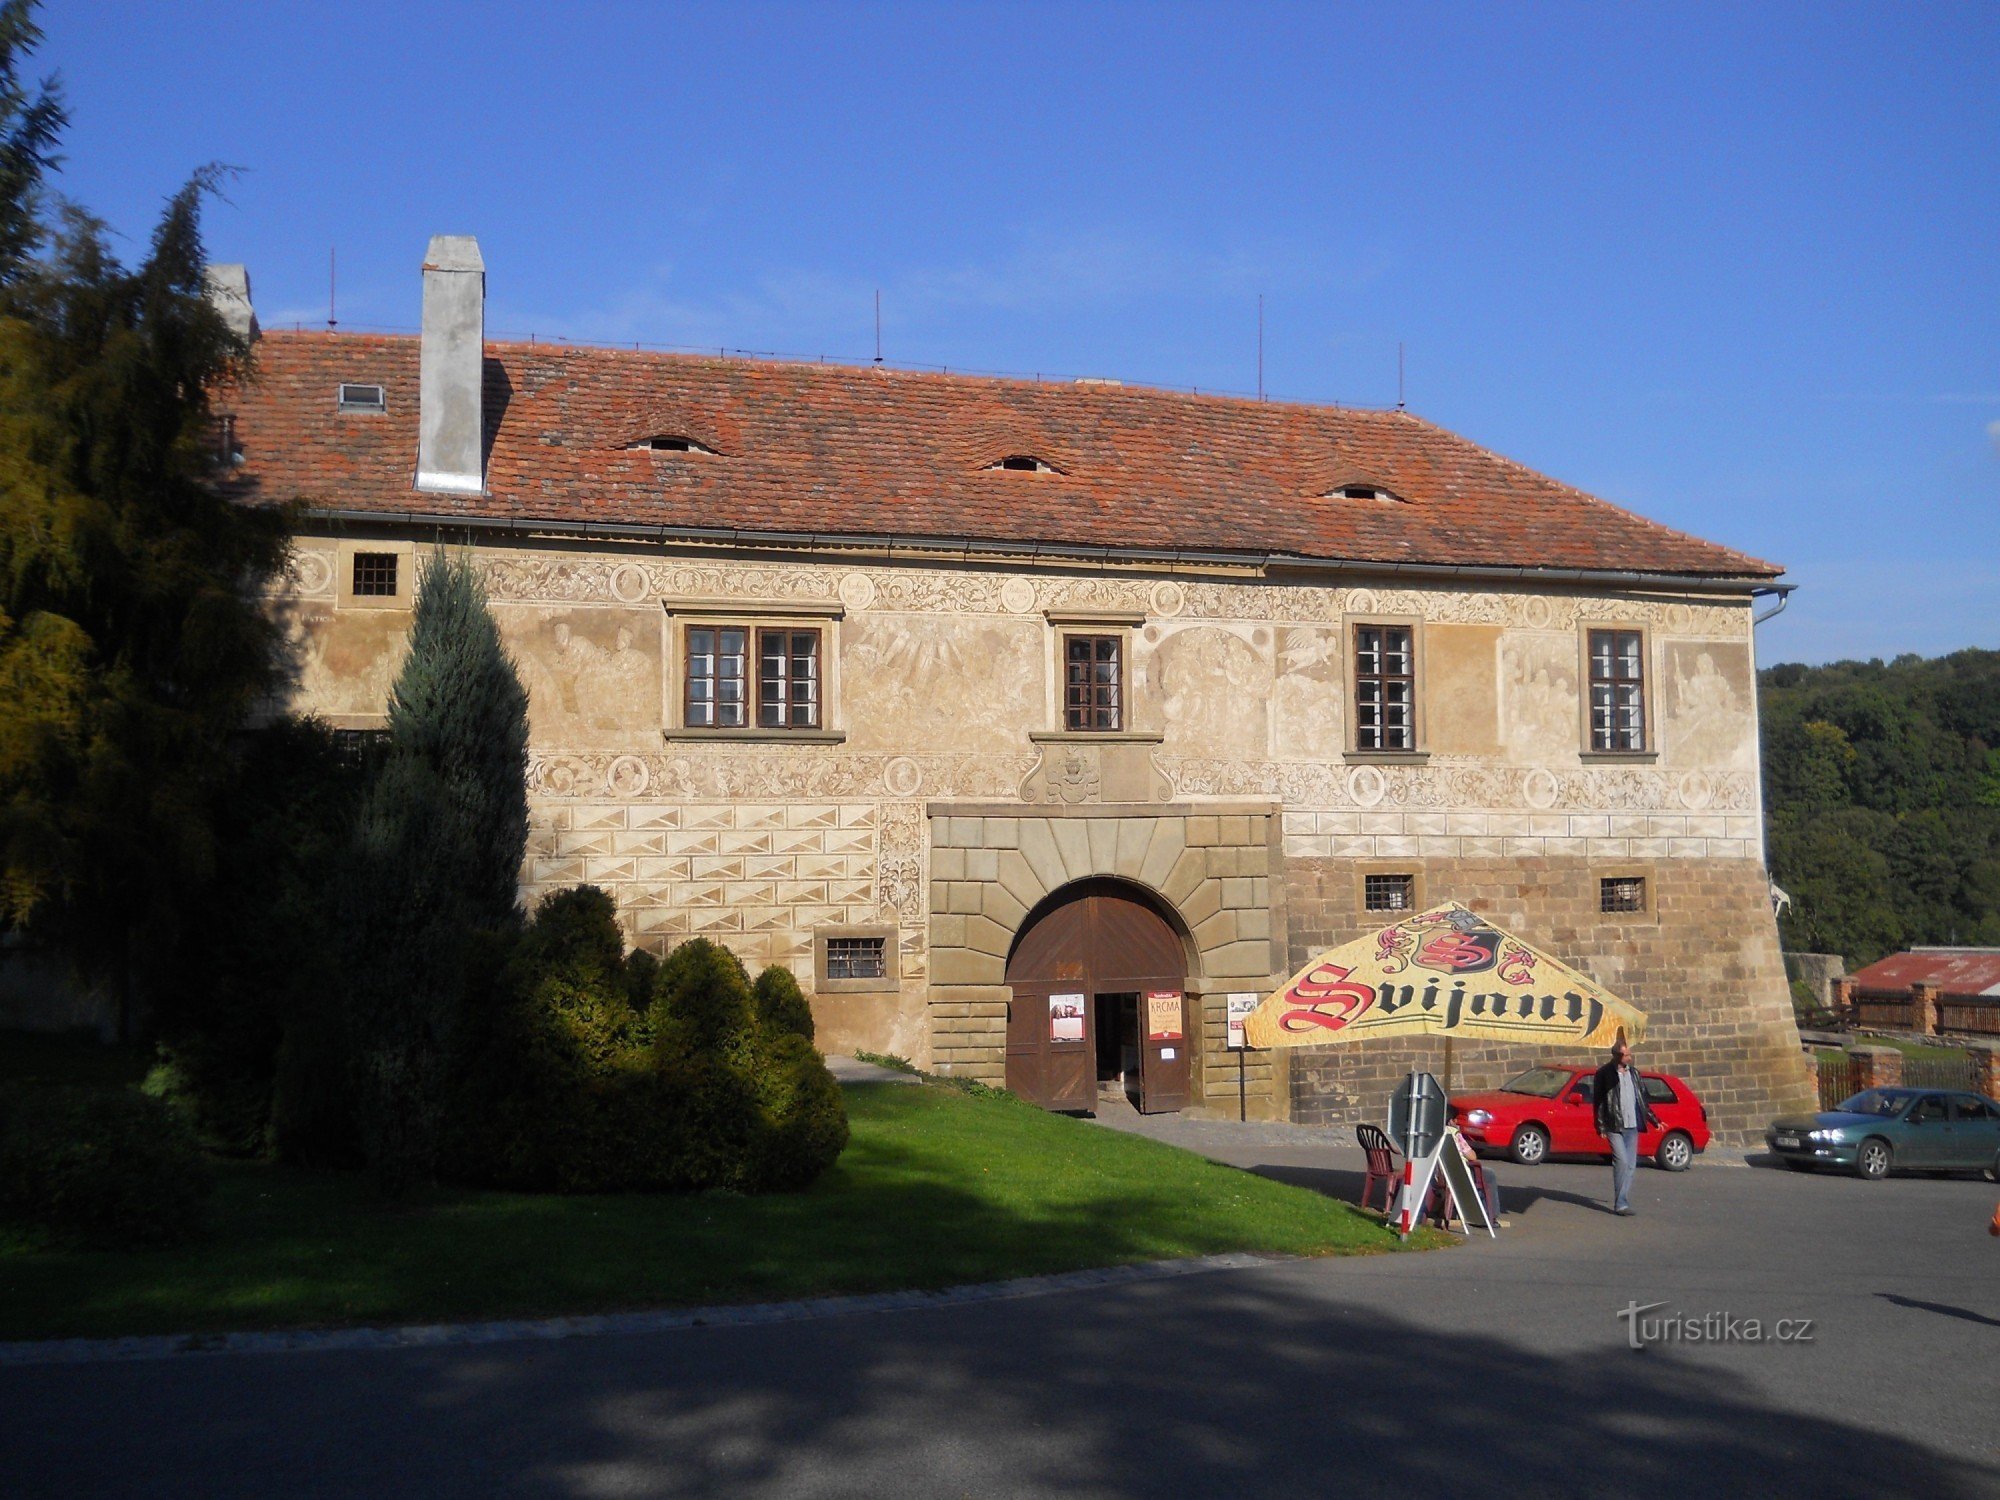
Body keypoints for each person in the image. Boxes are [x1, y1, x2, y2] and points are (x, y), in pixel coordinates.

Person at [1592, 1038, 1660, 1216]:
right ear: (1617, 1055)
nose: (1630, 1058)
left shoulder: (1634, 1074)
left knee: (1631, 1165)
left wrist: (1655, 1120)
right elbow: (1598, 1102)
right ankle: (1620, 1202)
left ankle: (1621, 1202)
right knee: (1621, 1161)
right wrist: (1600, 1126)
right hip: (1614, 1124)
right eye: (1627, 1055)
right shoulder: (1604, 1074)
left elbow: (1642, 1100)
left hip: (1632, 1125)